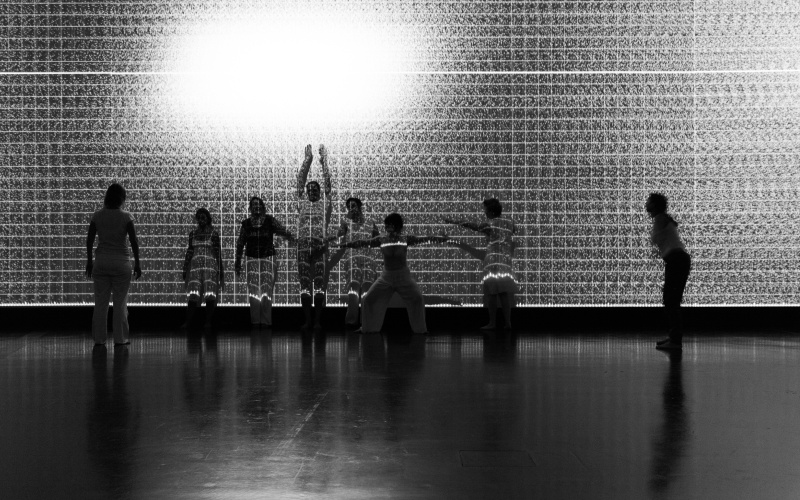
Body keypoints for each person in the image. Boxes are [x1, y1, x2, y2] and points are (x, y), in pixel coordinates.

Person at [339, 212, 448, 335]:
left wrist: (441, 238)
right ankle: (367, 328)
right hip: (386, 277)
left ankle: (421, 330)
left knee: (417, 298)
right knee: (369, 299)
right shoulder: (382, 239)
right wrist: (346, 244)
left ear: (397, 226)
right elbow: (362, 242)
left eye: (390, 225)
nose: (388, 227)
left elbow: (425, 238)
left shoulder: (405, 239)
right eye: (387, 225)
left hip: (403, 276)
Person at [444, 198, 517, 330]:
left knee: (492, 294)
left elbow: (471, 226)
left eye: (485, 210)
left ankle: (492, 323)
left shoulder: (489, 225)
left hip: (493, 262)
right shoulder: (510, 222)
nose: (484, 213)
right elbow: (513, 232)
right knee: (504, 294)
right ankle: (508, 323)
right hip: (505, 262)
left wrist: (453, 222)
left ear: (491, 211)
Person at [85, 183, 142, 345]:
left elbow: (89, 241)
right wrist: (137, 263)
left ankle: (99, 339)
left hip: (101, 262)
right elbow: (134, 241)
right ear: (122, 198)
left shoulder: (97, 216)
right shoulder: (126, 217)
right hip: (121, 263)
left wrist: (89, 261)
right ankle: (120, 338)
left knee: (100, 303)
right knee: (120, 302)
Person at [235, 196, 295, 327]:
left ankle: (266, 322)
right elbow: (240, 244)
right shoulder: (245, 224)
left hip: (268, 258)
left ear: (263, 207)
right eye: (254, 205)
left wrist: (293, 238)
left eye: (259, 204)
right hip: (251, 259)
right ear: (250, 208)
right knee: (253, 291)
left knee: (267, 290)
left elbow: (283, 231)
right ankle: (255, 321)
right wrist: (237, 262)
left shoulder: (269, 220)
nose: (257, 207)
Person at [296, 144, 334, 330]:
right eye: (308, 189)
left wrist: (323, 160)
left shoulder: (325, 203)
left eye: (314, 189)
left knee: (319, 285)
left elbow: (328, 184)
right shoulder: (301, 201)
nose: (311, 191)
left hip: (320, 246)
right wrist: (307, 160)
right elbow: (299, 181)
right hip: (303, 245)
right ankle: (307, 320)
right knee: (304, 284)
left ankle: (318, 320)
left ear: (319, 192)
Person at [646, 192, 691, 350]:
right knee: (670, 300)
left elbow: (655, 240)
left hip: (676, 260)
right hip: (677, 260)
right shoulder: (663, 218)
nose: (646, 204)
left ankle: (676, 341)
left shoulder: (660, 219)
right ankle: (673, 338)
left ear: (655, 205)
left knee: (671, 301)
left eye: (649, 202)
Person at [329, 197, 380, 327]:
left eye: (353, 206)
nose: (351, 208)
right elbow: (339, 238)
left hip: (368, 258)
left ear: (359, 206)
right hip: (352, 257)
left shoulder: (370, 221)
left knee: (367, 289)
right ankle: (351, 322)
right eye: (349, 207)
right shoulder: (345, 221)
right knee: (353, 288)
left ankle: (367, 322)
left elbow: (377, 240)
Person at [181, 208, 224, 329]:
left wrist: (220, 270)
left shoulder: (213, 234)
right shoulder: (193, 234)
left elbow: (217, 252)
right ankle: (188, 322)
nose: (201, 220)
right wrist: (185, 267)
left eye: (203, 217)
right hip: (195, 269)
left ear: (208, 218)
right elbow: (189, 251)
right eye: (199, 217)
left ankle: (208, 322)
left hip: (210, 268)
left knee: (210, 295)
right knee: (193, 294)